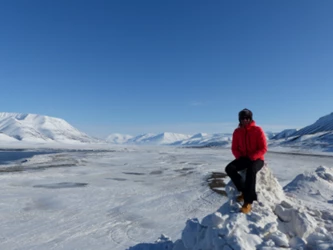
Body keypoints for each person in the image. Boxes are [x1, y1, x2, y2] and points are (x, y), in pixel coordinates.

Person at [225, 108, 267, 214]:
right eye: (243, 118)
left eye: (247, 118)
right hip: (243, 158)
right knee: (229, 168)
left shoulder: (258, 130)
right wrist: (240, 157)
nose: (245, 120)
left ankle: (248, 201)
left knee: (251, 170)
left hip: (257, 159)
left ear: (251, 119)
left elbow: (263, 148)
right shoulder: (237, 132)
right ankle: (244, 191)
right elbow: (234, 148)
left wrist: (252, 157)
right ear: (240, 120)